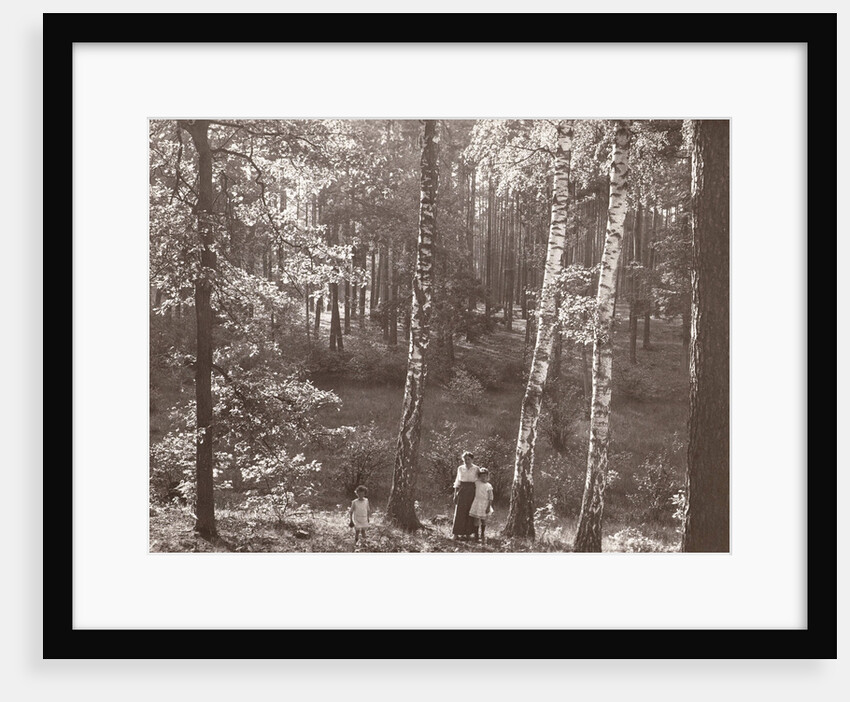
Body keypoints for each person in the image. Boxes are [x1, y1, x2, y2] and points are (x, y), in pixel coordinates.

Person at [452, 451, 479, 540]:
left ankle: (468, 533)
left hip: (472, 491)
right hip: (462, 490)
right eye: (465, 459)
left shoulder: (476, 469)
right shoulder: (460, 468)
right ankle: (456, 533)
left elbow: (478, 482)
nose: (467, 461)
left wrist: (479, 494)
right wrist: (455, 494)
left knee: (470, 512)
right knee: (459, 512)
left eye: (469, 459)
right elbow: (457, 481)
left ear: (472, 459)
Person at [468, 468, 494, 543]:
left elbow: (491, 497)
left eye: (485, 476)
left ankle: (482, 533)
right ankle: (476, 535)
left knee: (483, 520)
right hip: (477, 503)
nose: (483, 478)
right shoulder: (477, 482)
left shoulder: (488, 485)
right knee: (476, 519)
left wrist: (488, 507)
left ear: (487, 477)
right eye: (481, 476)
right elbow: (472, 478)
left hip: (485, 504)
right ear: (479, 477)